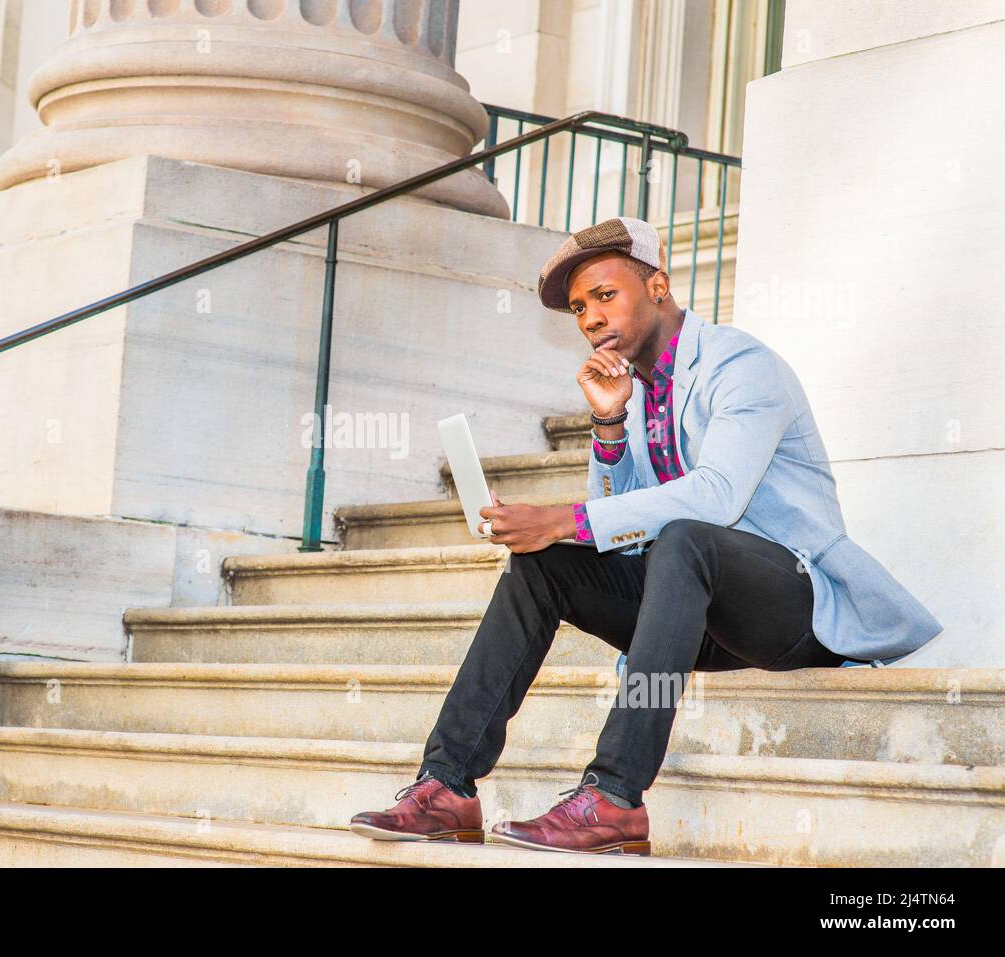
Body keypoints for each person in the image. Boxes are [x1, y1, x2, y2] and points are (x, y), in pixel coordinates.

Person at [347, 216, 943, 855]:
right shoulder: (633, 393)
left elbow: (717, 497)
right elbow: (620, 533)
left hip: (791, 606)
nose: (591, 318)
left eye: (605, 295)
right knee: (544, 564)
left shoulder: (741, 365)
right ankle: (446, 787)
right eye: (579, 308)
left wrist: (564, 517)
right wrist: (607, 428)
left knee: (686, 537)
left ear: (658, 285)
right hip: (693, 616)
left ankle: (613, 798)